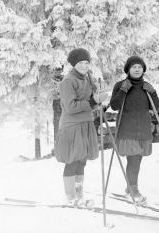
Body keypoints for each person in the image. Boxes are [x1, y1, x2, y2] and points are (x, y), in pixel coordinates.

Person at [55, 48, 102, 206]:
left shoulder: (87, 78)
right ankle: (70, 196)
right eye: (81, 63)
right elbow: (70, 107)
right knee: (73, 161)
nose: (84, 65)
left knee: (82, 161)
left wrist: (97, 100)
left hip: (85, 123)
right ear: (74, 63)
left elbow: (90, 101)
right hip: (72, 125)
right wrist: (92, 102)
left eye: (87, 63)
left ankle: (78, 193)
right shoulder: (68, 81)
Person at [110, 56, 159, 204]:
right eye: (134, 67)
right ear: (128, 69)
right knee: (133, 160)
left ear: (143, 69)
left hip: (143, 129)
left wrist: (153, 93)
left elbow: (155, 107)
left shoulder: (147, 86)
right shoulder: (120, 85)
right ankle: (133, 189)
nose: (137, 69)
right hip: (127, 129)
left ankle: (130, 187)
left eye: (139, 67)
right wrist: (123, 91)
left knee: (136, 160)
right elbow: (114, 105)